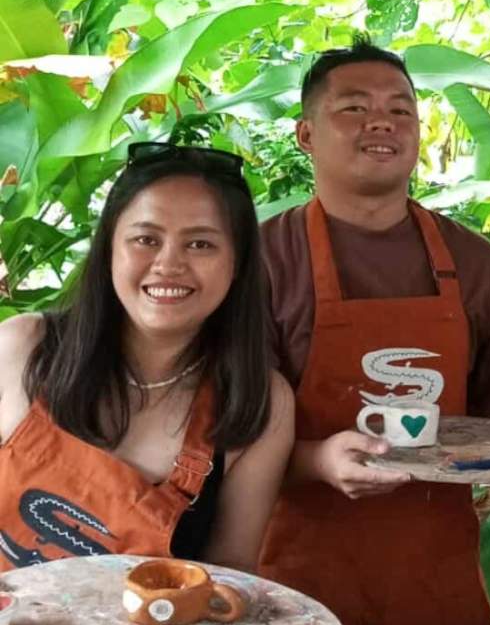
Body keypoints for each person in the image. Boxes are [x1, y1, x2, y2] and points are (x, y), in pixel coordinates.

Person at [256, 39, 490, 625]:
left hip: (436, 574)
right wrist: (317, 460)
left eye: (401, 109)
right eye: (354, 108)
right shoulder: (263, 261)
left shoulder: (470, 260)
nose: (382, 121)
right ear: (306, 134)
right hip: (298, 573)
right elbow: (228, 432)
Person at [0, 143, 294, 574]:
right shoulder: (22, 348)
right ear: (108, 250)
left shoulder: (262, 402)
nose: (168, 264)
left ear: (237, 263)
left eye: (200, 244)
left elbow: (231, 573)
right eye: (145, 239)